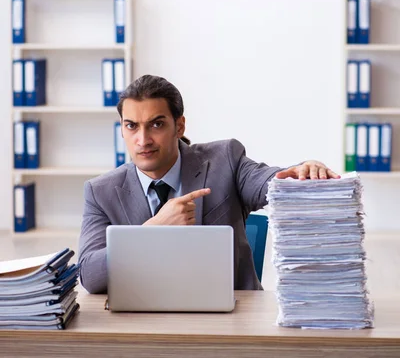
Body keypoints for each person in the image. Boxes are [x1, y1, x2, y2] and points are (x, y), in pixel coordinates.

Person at [78, 75, 339, 294]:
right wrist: (153, 230)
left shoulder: (225, 159)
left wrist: (300, 172)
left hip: (233, 321)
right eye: (132, 126)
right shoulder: (100, 192)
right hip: (147, 323)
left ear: (179, 126)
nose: (142, 139)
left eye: (156, 124)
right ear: (122, 130)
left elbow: (267, 183)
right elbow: (90, 275)